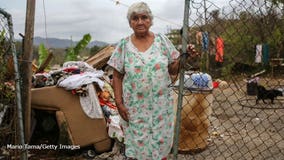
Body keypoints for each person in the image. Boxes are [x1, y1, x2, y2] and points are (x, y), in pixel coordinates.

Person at [107, 2, 180, 160]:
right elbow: (117, 75)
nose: (140, 22)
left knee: (160, 145)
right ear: (130, 22)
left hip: (161, 108)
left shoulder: (162, 41)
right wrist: (119, 104)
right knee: (137, 145)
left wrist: (185, 59)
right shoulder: (124, 45)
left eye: (144, 17)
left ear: (150, 20)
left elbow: (173, 70)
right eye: (135, 18)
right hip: (135, 108)